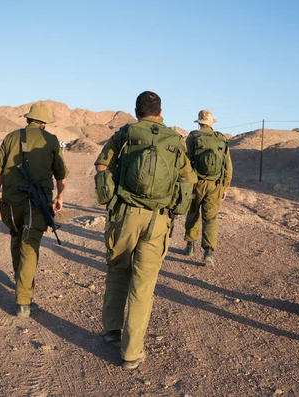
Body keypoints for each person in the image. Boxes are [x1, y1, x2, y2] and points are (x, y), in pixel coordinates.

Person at [94, 91, 197, 370]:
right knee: (143, 284)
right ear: (160, 112)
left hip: (125, 215)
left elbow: (102, 165)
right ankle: (131, 353)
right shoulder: (176, 141)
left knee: (118, 270)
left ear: (137, 111)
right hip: (158, 220)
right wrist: (177, 211)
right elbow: (189, 179)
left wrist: (109, 196)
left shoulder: (125, 134)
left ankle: (111, 330)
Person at [0, 103, 68, 318]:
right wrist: (60, 196)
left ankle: (21, 283)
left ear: (28, 119)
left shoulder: (10, 137)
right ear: (44, 123)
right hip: (37, 204)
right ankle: (23, 302)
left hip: (10, 203)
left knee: (16, 238)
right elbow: (61, 175)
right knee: (29, 246)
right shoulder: (50, 141)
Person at [183, 110, 233, 266]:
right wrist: (225, 186)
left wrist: (185, 183)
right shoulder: (221, 139)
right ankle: (208, 253)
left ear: (199, 123)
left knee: (193, 213)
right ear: (211, 123)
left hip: (196, 182)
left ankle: (190, 246)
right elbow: (228, 166)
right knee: (210, 218)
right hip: (215, 185)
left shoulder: (193, 136)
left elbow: (186, 160)